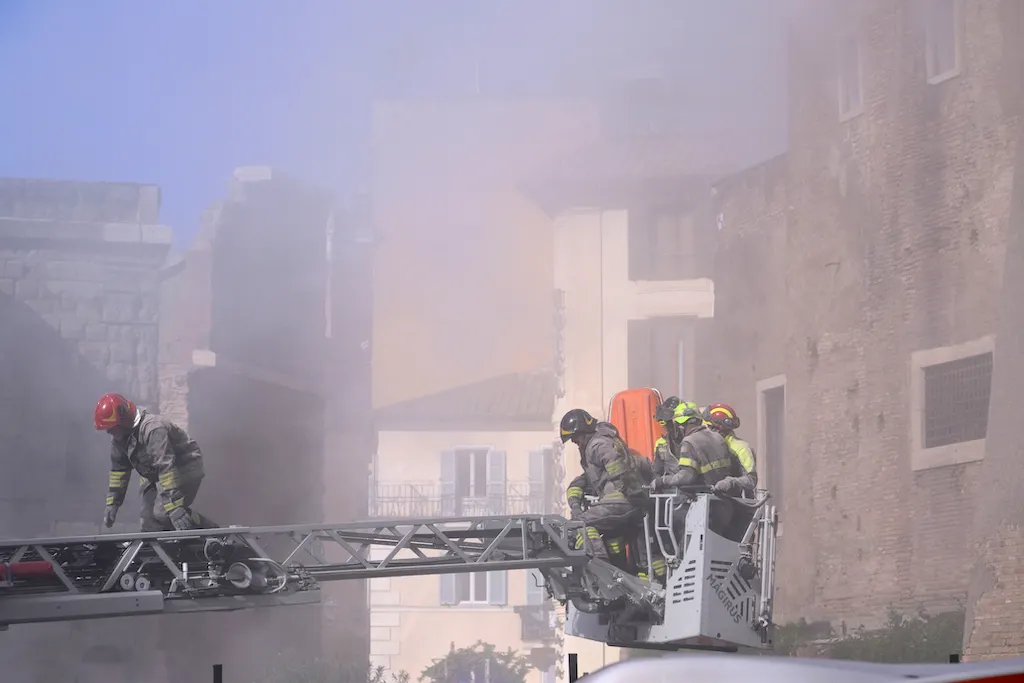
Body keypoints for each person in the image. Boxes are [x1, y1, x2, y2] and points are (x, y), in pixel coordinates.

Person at [94, 392, 211, 532]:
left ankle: (208, 527)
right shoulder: (120, 438)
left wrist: (174, 507)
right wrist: (113, 503)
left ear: (124, 421)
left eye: (112, 428)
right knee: (147, 520)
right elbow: (118, 471)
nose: (109, 433)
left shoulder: (153, 429)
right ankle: (170, 550)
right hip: (155, 473)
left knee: (164, 514)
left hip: (184, 468)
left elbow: (166, 467)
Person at [560, 408, 648, 566]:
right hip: (624, 499)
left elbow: (615, 465)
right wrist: (574, 503)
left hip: (620, 499)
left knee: (579, 523)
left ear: (584, 429)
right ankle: (619, 570)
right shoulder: (596, 444)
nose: (574, 442)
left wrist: (628, 491)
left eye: (575, 437)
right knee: (611, 536)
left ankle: (599, 565)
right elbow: (589, 478)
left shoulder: (597, 444)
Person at [702, 403, 758, 497]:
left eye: (707, 427)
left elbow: (751, 480)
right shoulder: (705, 444)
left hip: (731, 502)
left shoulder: (741, 448)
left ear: (716, 429)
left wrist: (731, 482)